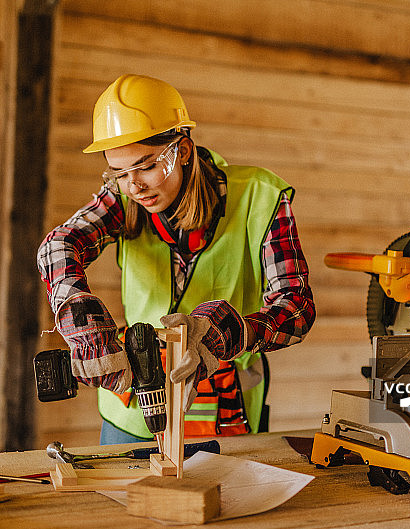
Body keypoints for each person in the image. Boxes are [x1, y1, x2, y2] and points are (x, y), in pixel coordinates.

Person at [37, 74, 315, 444]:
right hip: (132, 409)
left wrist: (233, 331)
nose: (134, 186)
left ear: (182, 150)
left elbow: (296, 308)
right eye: (118, 172)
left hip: (226, 409)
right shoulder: (122, 200)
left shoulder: (260, 198)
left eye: (146, 166)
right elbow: (59, 246)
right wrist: (79, 312)